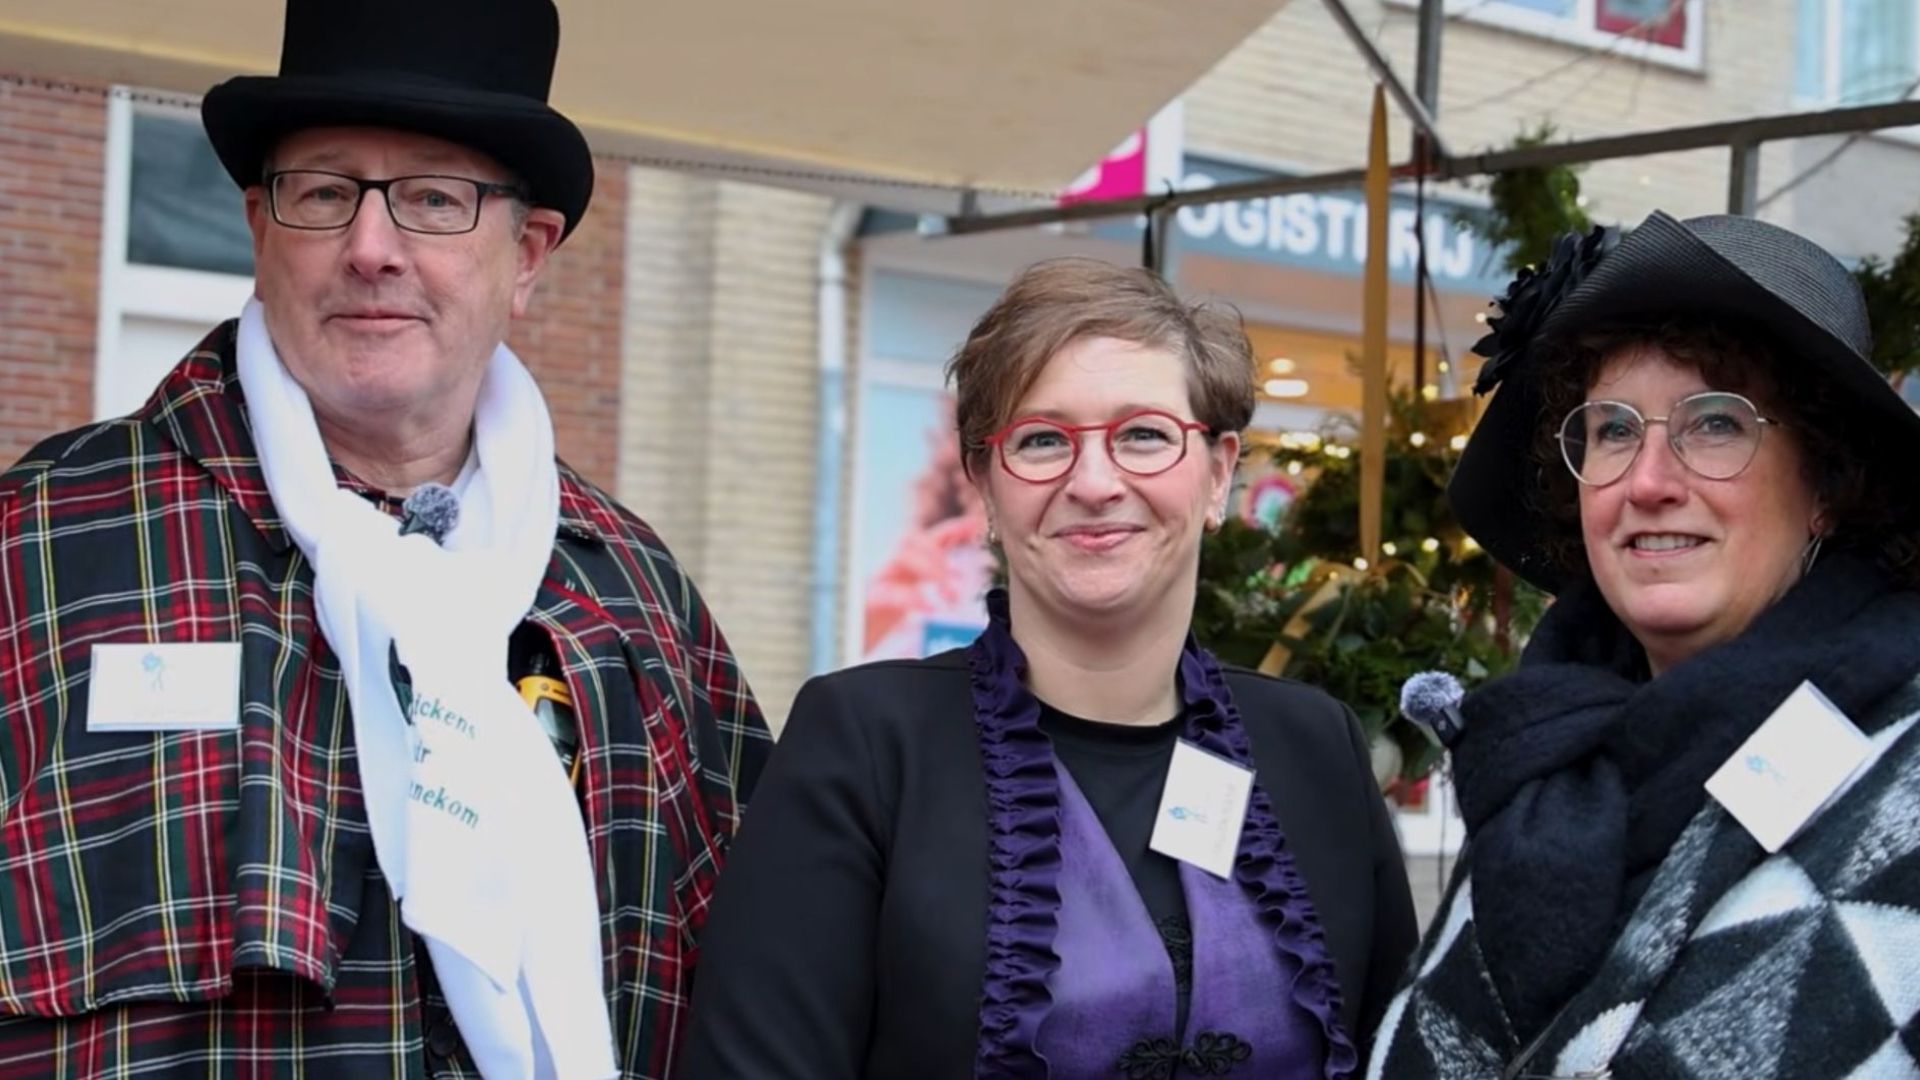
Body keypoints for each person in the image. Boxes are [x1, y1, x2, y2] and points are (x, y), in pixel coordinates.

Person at [0, 1, 770, 1076]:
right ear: (259, 227)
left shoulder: (637, 601)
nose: (371, 249)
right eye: (322, 193)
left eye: (432, 200)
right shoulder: (38, 547)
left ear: (529, 253)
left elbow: (757, 997)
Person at [679, 259, 1418, 1079]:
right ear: (987, 490)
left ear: (1217, 472)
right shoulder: (864, 746)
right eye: (1042, 441)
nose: (1095, 483)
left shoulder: (1316, 748)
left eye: (1143, 434)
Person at [1370, 212, 1920, 1078]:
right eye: (1615, 430)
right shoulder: (1541, 765)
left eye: (1714, 424)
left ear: (1825, 483)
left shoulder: (1907, 771)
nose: (1651, 482)